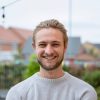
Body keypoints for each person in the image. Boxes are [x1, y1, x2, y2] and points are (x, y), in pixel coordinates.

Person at [6, 19, 97, 100]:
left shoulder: (84, 93)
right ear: (34, 47)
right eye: (42, 45)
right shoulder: (17, 94)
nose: (49, 51)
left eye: (55, 44)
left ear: (65, 47)